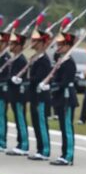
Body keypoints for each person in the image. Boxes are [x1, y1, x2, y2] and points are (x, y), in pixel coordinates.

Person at [14, 17, 52, 161]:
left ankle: (45, 150)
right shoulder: (35, 58)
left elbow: (39, 78)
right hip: (34, 96)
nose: (33, 43)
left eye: (36, 41)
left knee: (41, 123)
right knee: (35, 123)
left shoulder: (44, 60)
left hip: (41, 97)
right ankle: (39, 149)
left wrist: (27, 80)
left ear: (42, 43)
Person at [44, 21, 79, 166]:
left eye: (61, 45)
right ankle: (64, 153)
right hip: (60, 96)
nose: (58, 47)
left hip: (66, 96)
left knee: (67, 127)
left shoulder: (69, 62)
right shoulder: (60, 60)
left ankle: (68, 156)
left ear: (68, 46)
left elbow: (65, 82)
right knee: (62, 127)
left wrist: (52, 86)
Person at [5, 22, 29, 156]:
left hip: (19, 94)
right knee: (17, 119)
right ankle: (20, 143)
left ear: (19, 46)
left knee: (20, 119)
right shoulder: (15, 59)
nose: (10, 46)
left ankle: (24, 145)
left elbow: (21, 78)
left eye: (13, 44)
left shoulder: (21, 60)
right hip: (13, 94)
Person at [0, 16, 13, 152]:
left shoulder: (7, 58)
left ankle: (2, 142)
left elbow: (7, 77)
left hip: (2, 92)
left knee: (1, 117)